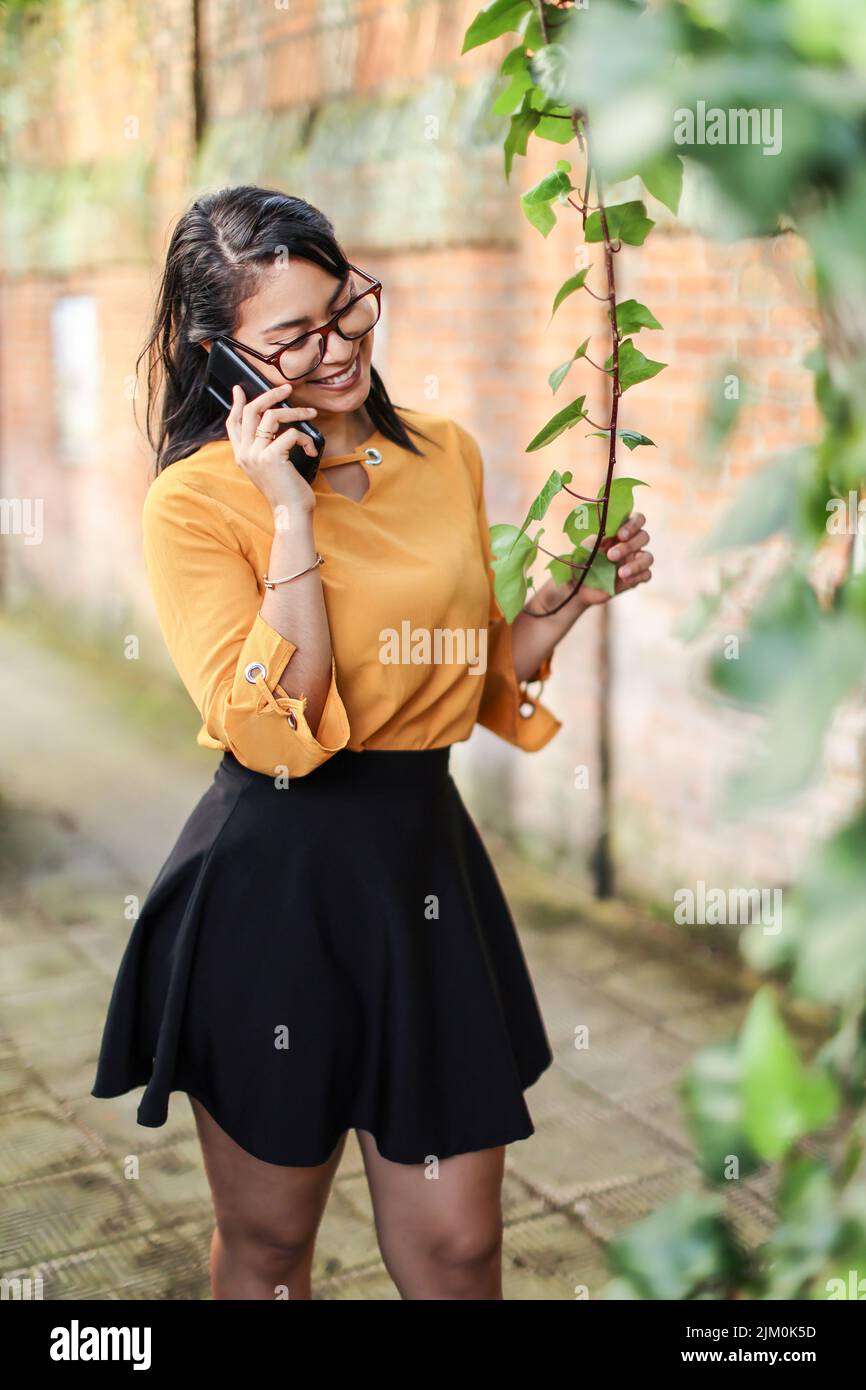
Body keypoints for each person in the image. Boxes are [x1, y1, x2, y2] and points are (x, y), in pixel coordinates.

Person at [91, 185, 654, 1300]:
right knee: (268, 1251)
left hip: (422, 871)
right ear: (223, 351)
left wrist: (565, 601)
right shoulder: (197, 504)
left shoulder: (441, 453)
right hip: (274, 882)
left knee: (457, 1247)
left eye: (344, 310)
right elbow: (278, 733)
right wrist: (289, 512)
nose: (336, 348)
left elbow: (463, 671)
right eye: (289, 337)